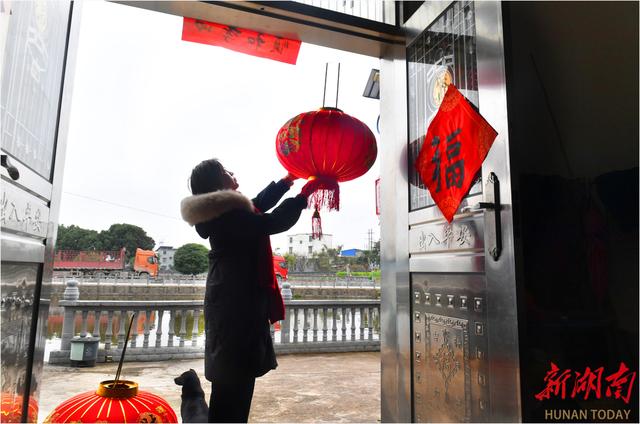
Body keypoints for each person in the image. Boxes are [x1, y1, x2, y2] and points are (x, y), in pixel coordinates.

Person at [180, 158, 320, 423]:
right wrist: (303, 197)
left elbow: (257, 205)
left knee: (232, 383)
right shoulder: (228, 216)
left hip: (233, 304)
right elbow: (270, 222)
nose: (231, 172)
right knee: (233, 388)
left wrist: (287, 181)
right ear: (216, 184)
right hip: (235, 309)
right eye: (224, 172)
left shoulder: (223, 212)